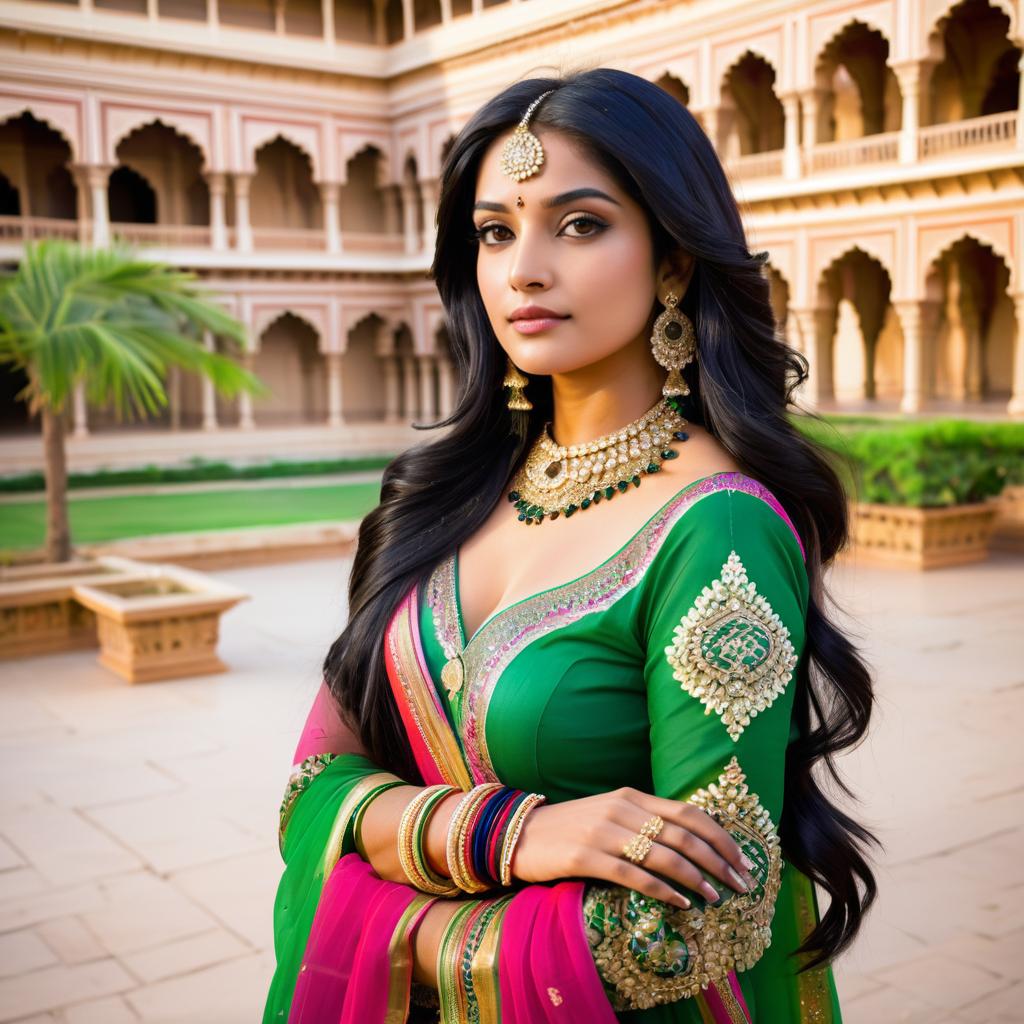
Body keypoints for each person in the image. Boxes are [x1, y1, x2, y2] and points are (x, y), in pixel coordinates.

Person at [263, 67, 880, 1024]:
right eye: (497, 231)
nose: (524, 271)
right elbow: (310, 798)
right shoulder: (436, 496)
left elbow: (706, 925)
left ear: (673, 261)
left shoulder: (716, 528)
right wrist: (513, 837)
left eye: (580, 224)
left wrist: (402, 927)